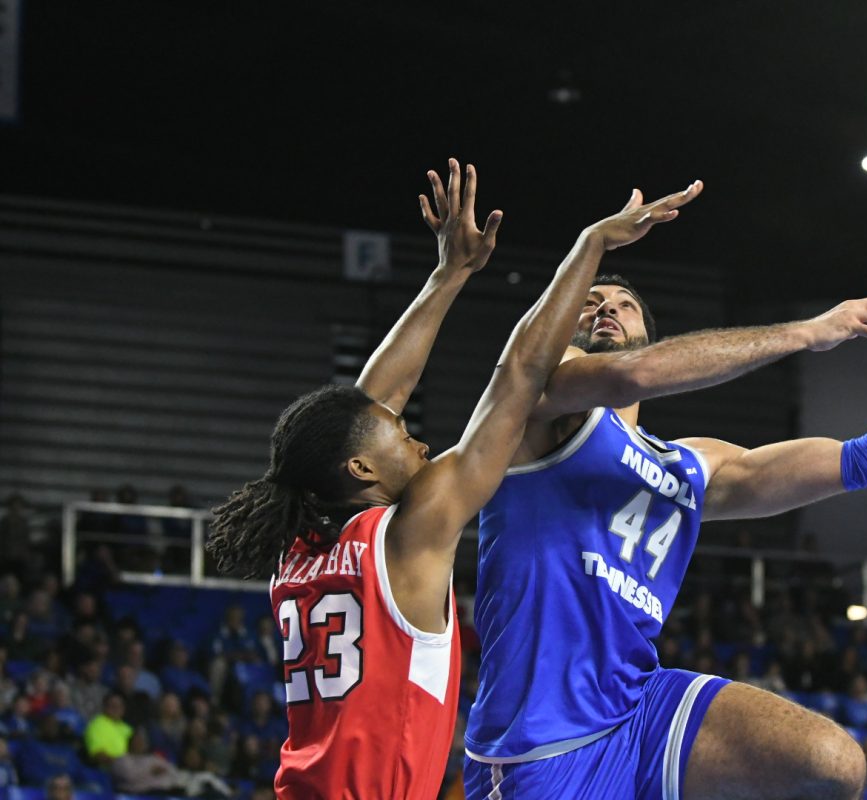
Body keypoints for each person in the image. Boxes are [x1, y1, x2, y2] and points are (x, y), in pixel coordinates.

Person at [205, 158, 702, 799]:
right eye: (404, 438)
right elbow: (518, 378)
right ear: (359, 469)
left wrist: (450, 274)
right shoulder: (409, 533)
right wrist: (593, 244)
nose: (417, 439)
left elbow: (364, 412)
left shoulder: (298, 547)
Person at [463, 235, 867, 800]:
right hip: (540, 735)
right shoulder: (537, 405)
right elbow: (631, 375)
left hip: (639, 704)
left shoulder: (695, 464)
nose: (606, 306)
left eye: (624, 303)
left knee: (832, 763)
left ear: (646, 331)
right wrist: (806, 332)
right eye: (590, 301)